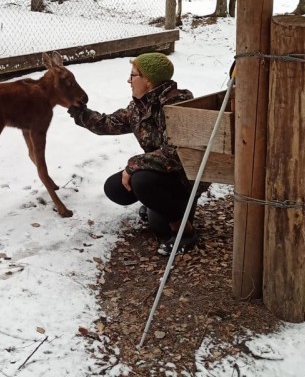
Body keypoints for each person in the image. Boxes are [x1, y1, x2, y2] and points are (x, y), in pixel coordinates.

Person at [67, 52, 210, 255]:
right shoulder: (139, 106)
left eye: (133, 75)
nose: (129, 80)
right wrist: (79, 112)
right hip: (161, 173)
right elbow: (109, 124)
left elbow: (175, 155)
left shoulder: (176, 105)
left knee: (142, 183)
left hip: (184, 178)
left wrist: (132, 165)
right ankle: (159, 204)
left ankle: (185, 234)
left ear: (148, 81)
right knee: (115, 188)